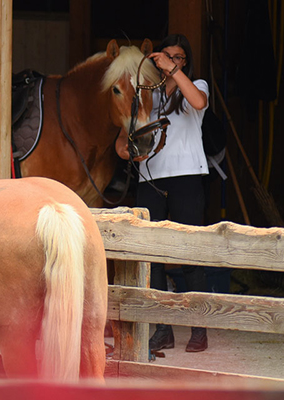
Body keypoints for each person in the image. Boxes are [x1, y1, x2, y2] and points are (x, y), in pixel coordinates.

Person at [118, 34, 212, 353]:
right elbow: (121, 140)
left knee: (189, 254)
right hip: (151, 180)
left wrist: (174, 71)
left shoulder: (195, 85)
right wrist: (129, 152)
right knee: (153, 258)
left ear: (186, 62)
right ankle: (162, 328)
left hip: (186, 178)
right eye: (167, 55)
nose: (172, 60)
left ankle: (198, 329)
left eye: (179, 56)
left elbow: (198, 102)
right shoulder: (147, 94)